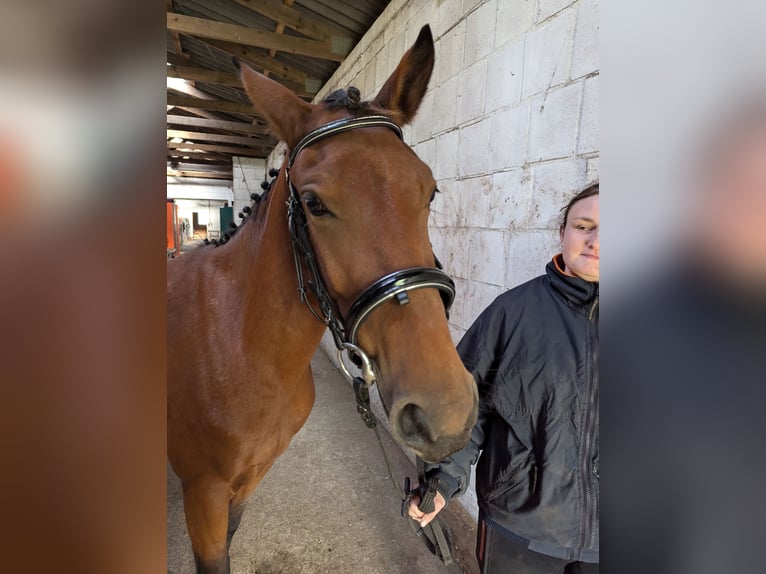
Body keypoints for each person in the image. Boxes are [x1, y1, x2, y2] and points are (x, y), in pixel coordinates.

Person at [409, 184, 600, 573]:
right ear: (562, 232)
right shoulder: (512, 314)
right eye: (585, 225)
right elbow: (464, 406)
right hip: (518, 525)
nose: (596, 241)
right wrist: (444, 479)